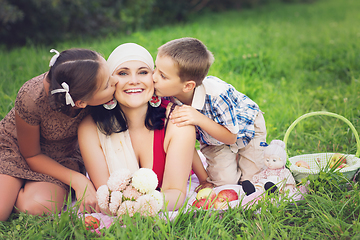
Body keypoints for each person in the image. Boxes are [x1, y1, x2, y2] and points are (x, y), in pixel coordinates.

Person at [0, 48, 118, 221]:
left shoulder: (90, 86)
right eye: (108, 83)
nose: (115, 81)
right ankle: (10, 184)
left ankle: (22, 190)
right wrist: (79, 180)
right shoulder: (31, 97)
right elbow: (31, 154)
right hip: (16, 150)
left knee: (35, 206)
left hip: (63, 156)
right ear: (81, 103)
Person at [78, 43, 196, 211]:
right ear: (110, 81)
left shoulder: (177, 121)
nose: (134, 81)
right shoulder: (90, 128)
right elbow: (106, 195)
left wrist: (139, 207)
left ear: (153, 77)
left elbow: (175, 193)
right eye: (123, 73)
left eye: (143, 72)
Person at [153, 37, 267, 187]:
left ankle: (241, 157)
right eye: (155, 68)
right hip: (212, 139)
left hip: (246, 128)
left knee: (252, 181)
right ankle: (233, 159)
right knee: (224, 183)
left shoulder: (217, 95)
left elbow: (231, 137)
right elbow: (185, 143)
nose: (153, 77)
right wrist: (203, 180)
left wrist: (199, 119)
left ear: (188, 86)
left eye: (162, 75)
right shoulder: (166, 98)